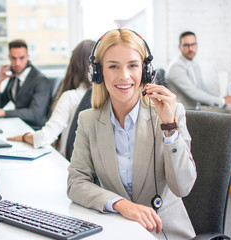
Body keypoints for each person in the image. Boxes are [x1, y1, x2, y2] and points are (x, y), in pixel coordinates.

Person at [67, 29, 197, 239]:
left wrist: (168, 127)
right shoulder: (88, 120)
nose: (124, 76)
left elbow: (182, 187)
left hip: (164, 233)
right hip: (117, 230)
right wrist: (121, 205)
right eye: (113, 66)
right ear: (98, 73)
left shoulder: (171, 115)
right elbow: (76, 183)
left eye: (133, 65)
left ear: (146, 71)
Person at [7, 40, 95, 157]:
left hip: (65, 164)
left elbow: (45, 138)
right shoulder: (103, 97)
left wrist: (24, 137)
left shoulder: (70, 97)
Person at [166, 31, 231, 110]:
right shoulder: (176, 67)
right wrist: (222, 101)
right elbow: (193, 93)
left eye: (193, 44)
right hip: (183, 112)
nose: (190, 48)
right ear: (179, 47)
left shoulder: (193, 63)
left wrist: (222, 97)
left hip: (194, 110)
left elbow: (202, 89)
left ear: (197, 45)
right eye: (186, 45)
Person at [0, 39, 52, 129]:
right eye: (14, 58)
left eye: (22, 58)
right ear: (9, 57)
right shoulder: (14, 76)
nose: (17, 63)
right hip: (18, 124)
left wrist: (4, 112)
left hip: (33, 128)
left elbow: (35, 114)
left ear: (28, 56)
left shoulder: (40, 80)